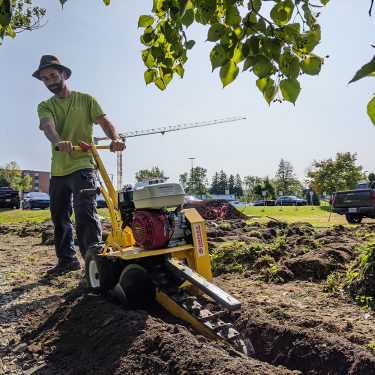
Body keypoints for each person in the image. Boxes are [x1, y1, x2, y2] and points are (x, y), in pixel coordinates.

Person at [33, 55, 125, 275]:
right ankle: (67, 261)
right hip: (59, 168)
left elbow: (104, 121)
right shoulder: (45, 105)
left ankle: (94, 263)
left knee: (85, 211)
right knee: (59, 215)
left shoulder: (86, 100)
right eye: (45, 79)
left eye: (53, 76)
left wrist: (116, 138)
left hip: (83, 163)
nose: (50, 82)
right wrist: (59, 142)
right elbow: (48, 127)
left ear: (64, 74)